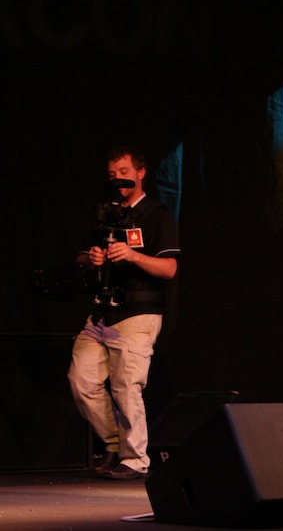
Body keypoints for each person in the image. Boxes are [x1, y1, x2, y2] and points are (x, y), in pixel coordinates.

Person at [68, 146, 180, 480]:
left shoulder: (156, 214)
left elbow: (169, 268)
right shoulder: (105, 213)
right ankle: (114, 443)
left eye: (124, 172)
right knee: (81, 379)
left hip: (138, 314)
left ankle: (135, 459)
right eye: (112, 174)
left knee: (126, 386)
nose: (118, 179)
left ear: (140, 172)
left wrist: (132, 256)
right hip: (102, 314)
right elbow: (82, 257)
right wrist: (92, 259)